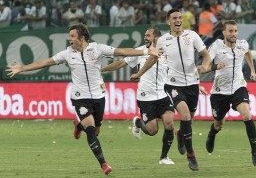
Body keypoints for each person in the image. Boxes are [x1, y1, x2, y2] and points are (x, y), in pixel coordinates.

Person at [6, 23, 159, 175]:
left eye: (72, 36)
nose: (69, 39)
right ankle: (104, 164)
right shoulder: (67, 53)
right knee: (91, 131)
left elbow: (122, 51)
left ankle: (78, 126)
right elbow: (46, 62)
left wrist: (146, 51)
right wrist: (23, 68)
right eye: (69, 36)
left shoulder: (97, 49)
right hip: (80, 98)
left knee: (96, 130)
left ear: (82, 37)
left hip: (99, 96)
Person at [146, 8, 211, 171]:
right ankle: (191, 156)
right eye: (174, 18)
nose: (178, 20)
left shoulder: (192, 36)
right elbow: (153, 58)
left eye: (180, 18)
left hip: (193, 84)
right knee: (185, 115)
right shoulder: (162, 41)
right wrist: (140, 73)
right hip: (173, 84)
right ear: (168, 21)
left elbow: (206, 54)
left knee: (189, 120)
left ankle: (180, 135)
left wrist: (205, 65)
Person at [102, 27, 175, 165]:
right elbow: (121, 63)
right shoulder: (141, 51)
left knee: (169, 123)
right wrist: (102, 70)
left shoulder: (167, 51)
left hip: (162, 95)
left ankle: (164, 157)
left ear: (157, 37)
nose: (145, 37)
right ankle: (137, 122)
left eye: (148, 35)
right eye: (145, 35)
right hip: (146, 97)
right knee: (152, 130)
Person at [203, 20, 256, 166]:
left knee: (247, 115)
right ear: (224, 33)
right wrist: (215, 66)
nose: (233, 34)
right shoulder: (217, 45)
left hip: (238, 87)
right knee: (218, 125)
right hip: (219, 92)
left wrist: (252, 70)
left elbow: (247, 53)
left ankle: (255, 152)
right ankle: (212, 134)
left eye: (235, 31)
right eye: (230, 31)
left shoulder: (242, 44)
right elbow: (206, 64)